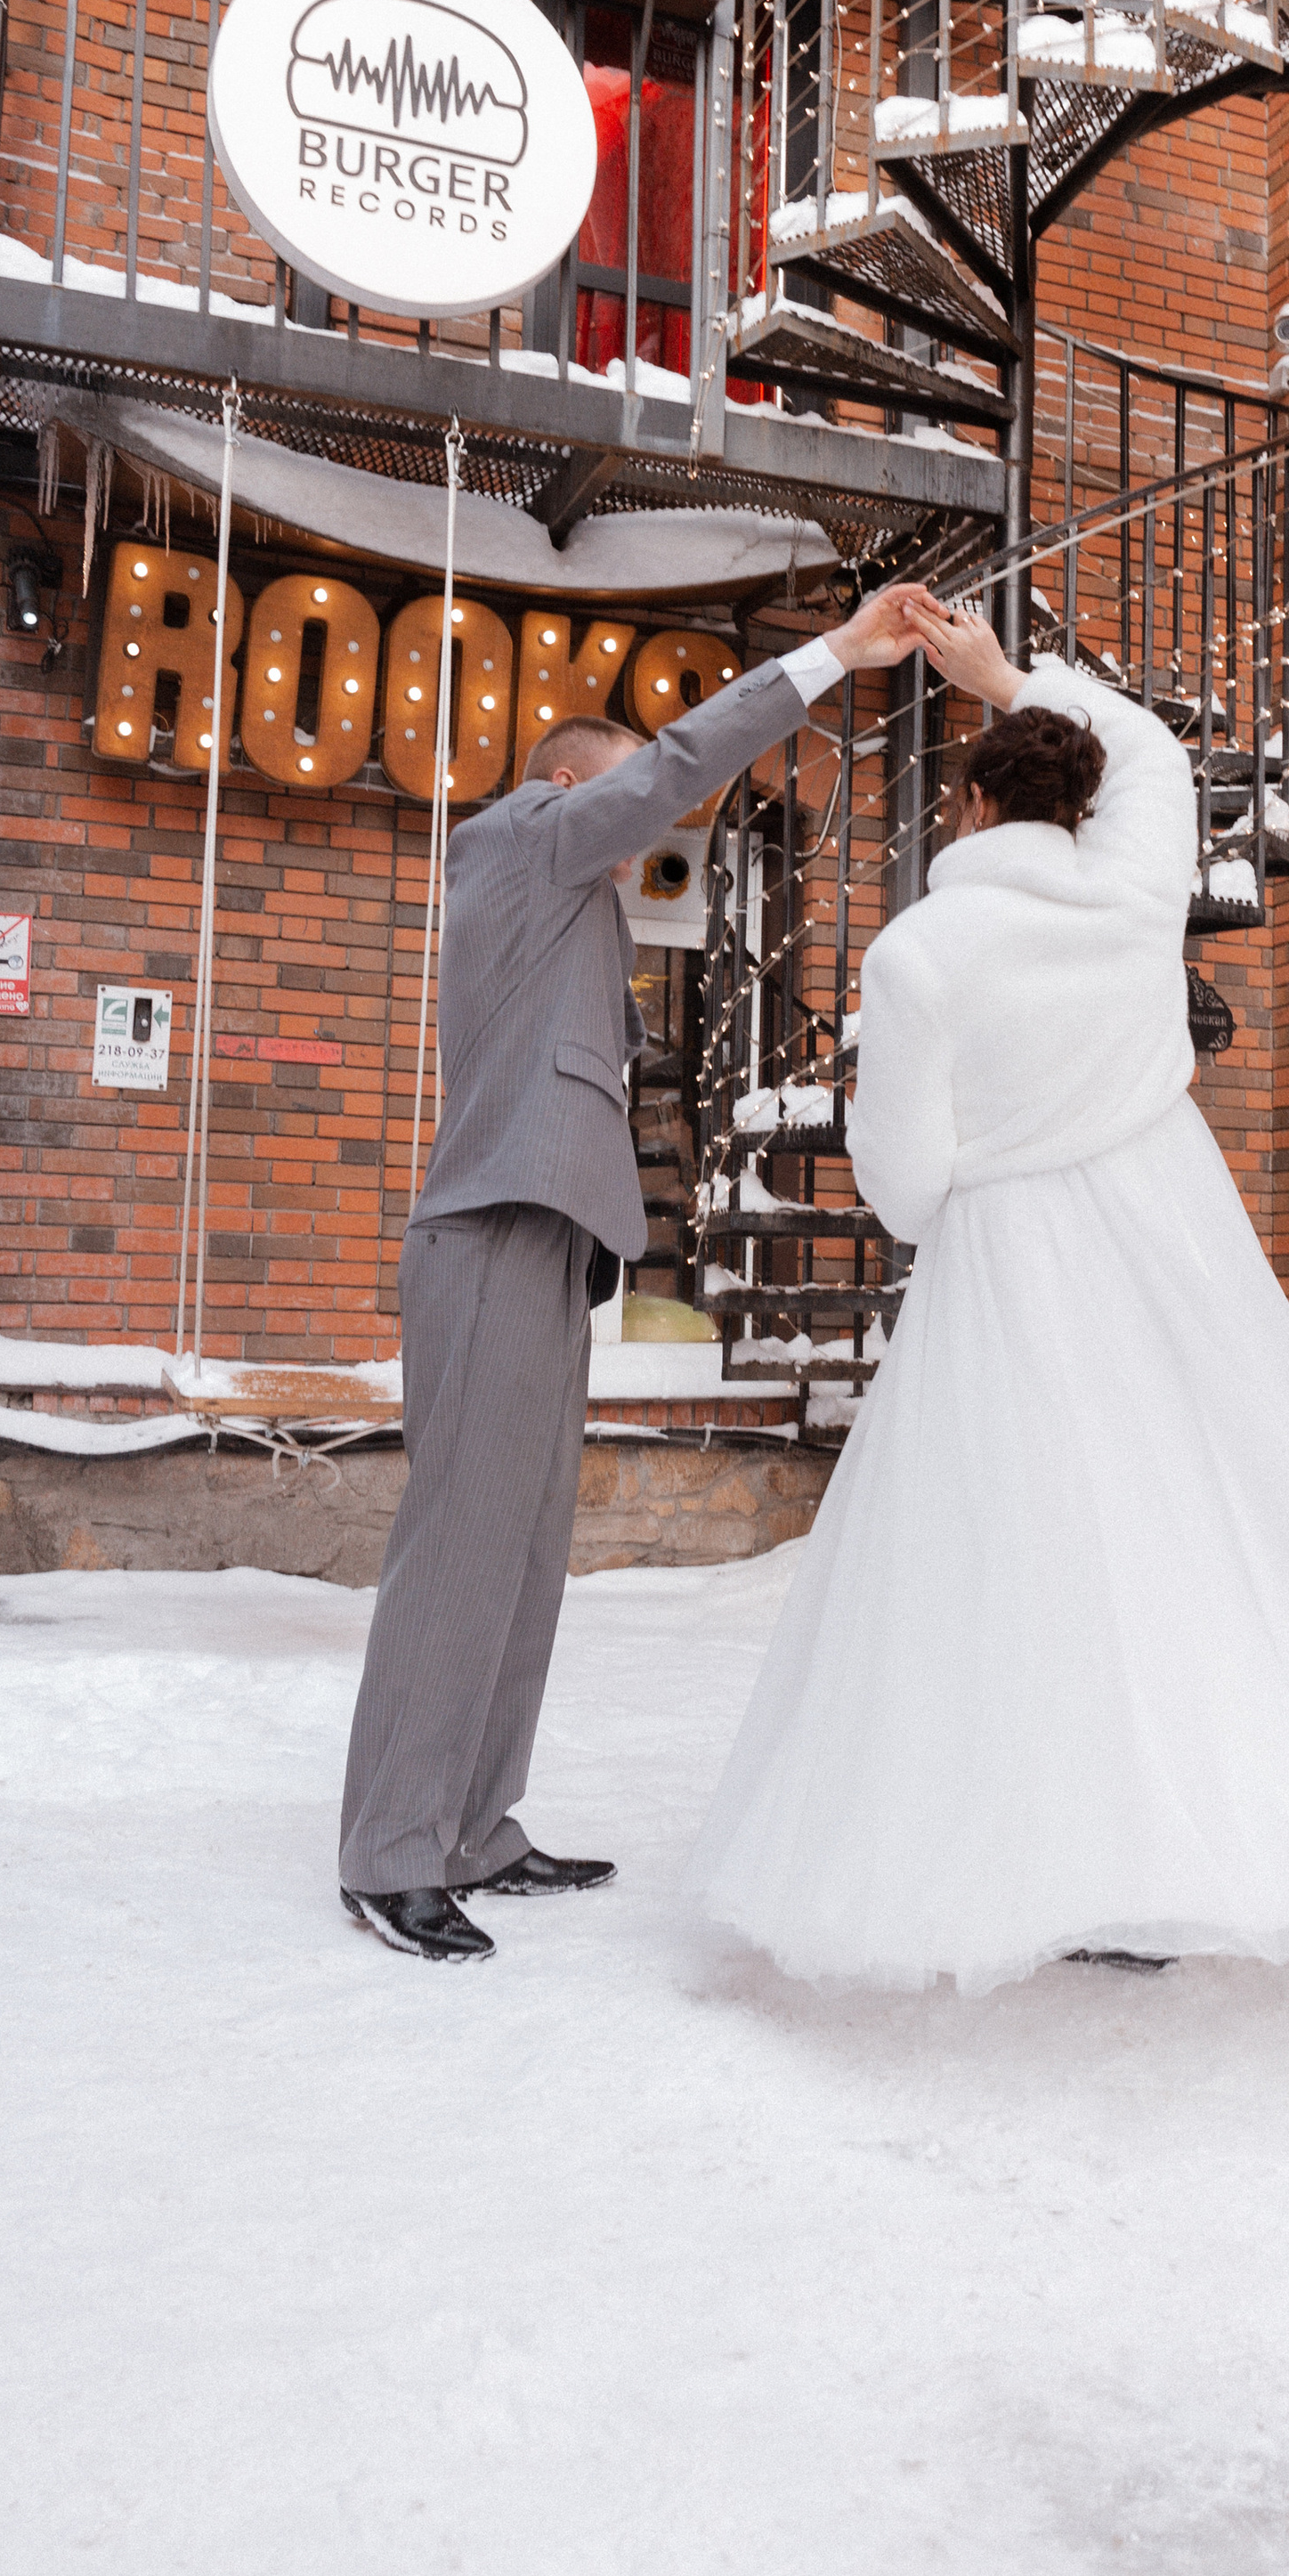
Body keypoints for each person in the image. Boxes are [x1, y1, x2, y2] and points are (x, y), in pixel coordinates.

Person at [687, 598, 1289, 1993]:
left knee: (1020, 1549)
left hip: (1011, 1265)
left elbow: (898, 1184)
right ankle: (1178, 1845)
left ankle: (1046, 1849)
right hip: (1162, 1230)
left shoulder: (918, 958)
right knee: (1180, 1520)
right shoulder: (1132, 889)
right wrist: (1005, 674)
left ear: (969, 806)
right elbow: (1151, 753)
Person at [339, 580, 922, 1963]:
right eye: (620, 804)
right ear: (560, 787)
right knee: (459, 1547)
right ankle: (389, 1851)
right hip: (490, 1225)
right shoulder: (521, 841)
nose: (648, 832)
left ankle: (471, 1828)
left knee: (525, 1554)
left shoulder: (571, 902)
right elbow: (671, 768)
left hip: (545, 1238)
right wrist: (835, 655)